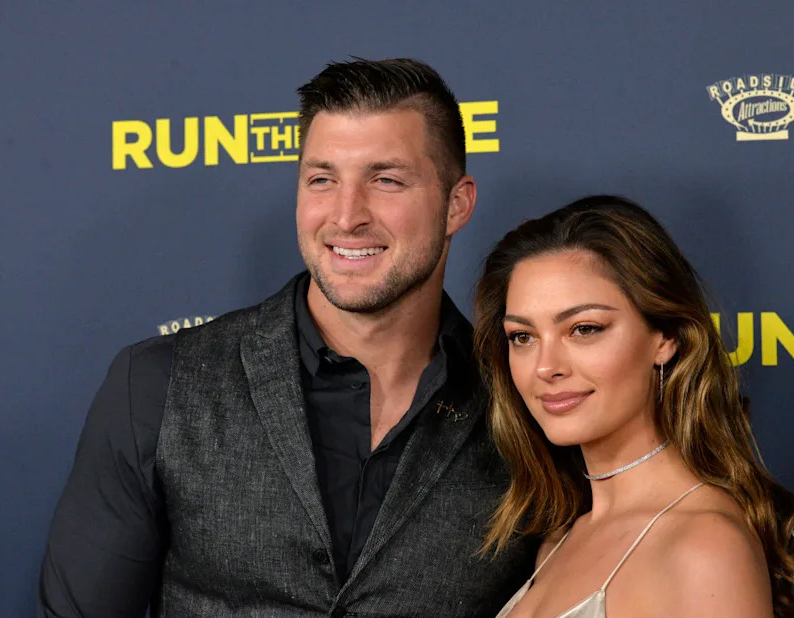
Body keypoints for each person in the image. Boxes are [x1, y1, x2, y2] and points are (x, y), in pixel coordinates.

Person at [37, 58, 536, 617]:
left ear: (457, 204)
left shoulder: (525, 399)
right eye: (322, 180)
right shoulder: (158, 384)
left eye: (386, 180)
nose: (347, 217)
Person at [473, 196, 794, 617]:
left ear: (664, 337)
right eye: (522, 336)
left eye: (584, 329)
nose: (545, 367)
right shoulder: (561, 538)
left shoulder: (703, 546)